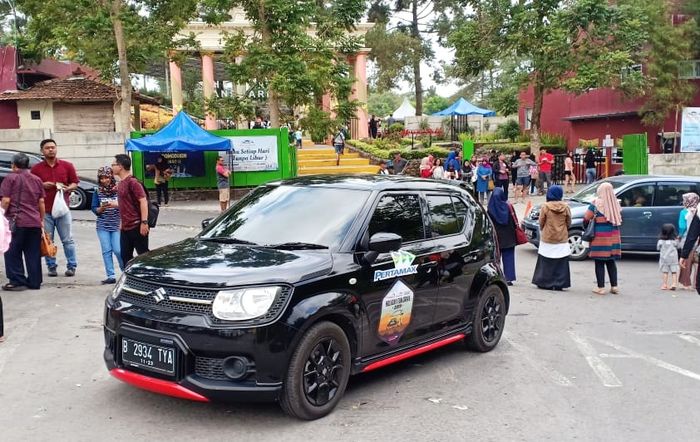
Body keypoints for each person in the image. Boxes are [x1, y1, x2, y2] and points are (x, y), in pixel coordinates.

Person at [31, 139, 79, 277]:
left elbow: (75, 182)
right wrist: (42, 185)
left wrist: (67, 188)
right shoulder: (36, 169)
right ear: (42, 151)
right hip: (45, 210)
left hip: (63, 209)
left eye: (53, 147)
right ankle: (51, 266)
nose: (50, 150)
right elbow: (31, 188)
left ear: (56, 149)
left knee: (68, 240)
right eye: (47, 148)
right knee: (47, 239)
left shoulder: (67, 166)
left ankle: (72, 266)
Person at [1, 153, 46, 290]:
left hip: (16, 221)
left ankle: (17, 281)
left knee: (12, 251)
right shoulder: (37, 179)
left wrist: (1, 214)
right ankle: (34, 281)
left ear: (13, 165)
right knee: (33, 252)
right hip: (34, 222)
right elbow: (41, 202)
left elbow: (6, 200)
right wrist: (41, 220)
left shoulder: (10, 178)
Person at [584, 182, 622, 295]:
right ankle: (614, 286)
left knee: (599, 262)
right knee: (611, 261)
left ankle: (600, 287)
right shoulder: (616, 203)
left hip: (600, 236)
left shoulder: (596, 203)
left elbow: (587, 217)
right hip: (614, 236)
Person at [111, 154, 150, 266]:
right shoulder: (121, 183)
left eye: (113, 165)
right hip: (126, 227)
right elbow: (125, 204)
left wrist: (144, 222)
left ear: (120, 166)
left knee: (144, 256)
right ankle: (132, 280)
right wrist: (121, 222)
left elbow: (143, 201)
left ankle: (150, 279)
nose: (112, 167)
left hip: (137, 225)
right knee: (125, 256)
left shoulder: (133, 182)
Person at [532, 186, 572, 290]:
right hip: (561, 237)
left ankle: (545, 282)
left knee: (546, 260)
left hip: (548, 237)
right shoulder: (566, 207)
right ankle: (560, 283)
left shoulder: (545, 206)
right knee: (561, 261)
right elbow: (569, 222)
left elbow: (541, 221)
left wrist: (543, 229)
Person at [91, 166, 123, 284]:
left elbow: (125, 206)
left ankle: (124, 271)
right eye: (101, 178)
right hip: (102, 225)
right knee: (106, 250)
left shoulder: (119, 189)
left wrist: (116, 205)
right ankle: (111, 275)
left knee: (118, 250)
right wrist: (101, 209)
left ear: (111, 177)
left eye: (106, 177)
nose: (104, 180)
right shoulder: (97, 191)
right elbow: (94, 208)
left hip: (117, 225)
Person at [487, 188, 516, 285]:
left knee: (495, 258)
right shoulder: (508, 206)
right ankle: (509, 278)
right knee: (509, 257)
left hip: (496, 237)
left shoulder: (490, 208)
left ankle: (496, 277)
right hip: (509, 236)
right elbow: (514, 219)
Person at [678, 192, 699, 290]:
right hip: (698, 243)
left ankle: (686, 283)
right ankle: (695, 283)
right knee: (697, 264)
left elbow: (682, 227)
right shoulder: (697, 210)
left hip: (688, 240)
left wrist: (680, 236)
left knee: (686, 263)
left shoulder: (684, 212)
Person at [657, 224, 680, 291]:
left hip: (664, 259)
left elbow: (658, 248)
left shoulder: (660, 241)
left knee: (665, 272)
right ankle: (674, 284)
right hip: (673, 259)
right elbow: (678, 246)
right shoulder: (674, 241)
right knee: (674, 272)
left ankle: (664, 285)